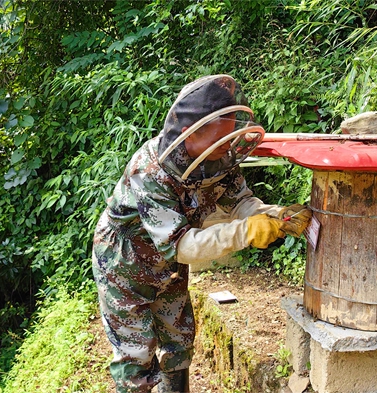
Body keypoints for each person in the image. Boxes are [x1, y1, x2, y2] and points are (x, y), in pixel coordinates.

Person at [92, 74, 312, 393]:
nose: (225, 148)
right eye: (217, 141)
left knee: (179, 341)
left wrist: (274, 215)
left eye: (227, 138)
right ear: (188, 134)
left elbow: (240, 202)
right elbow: (184, 246)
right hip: (125, 267)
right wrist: (246, 231)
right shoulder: (150, 171)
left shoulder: (217, 156)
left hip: (167, 269)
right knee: (135, 357)